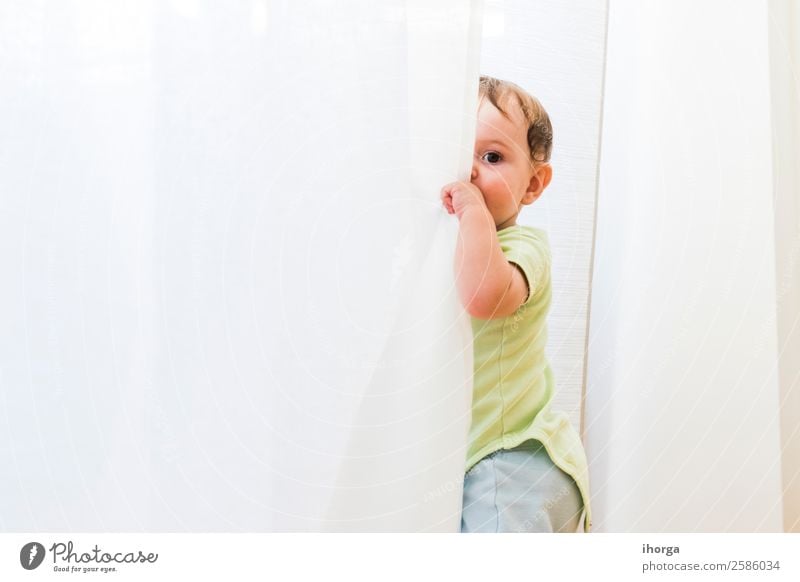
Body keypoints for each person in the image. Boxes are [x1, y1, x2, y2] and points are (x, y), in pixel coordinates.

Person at [441, 76, 591, 533]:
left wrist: (470, 210)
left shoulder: (522, 245)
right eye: (455, 151)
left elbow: (485, 296)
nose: (469, 172)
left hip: (514, 459)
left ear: (533, 184)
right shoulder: (441, 252)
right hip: (485, 462)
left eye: (491, 157)